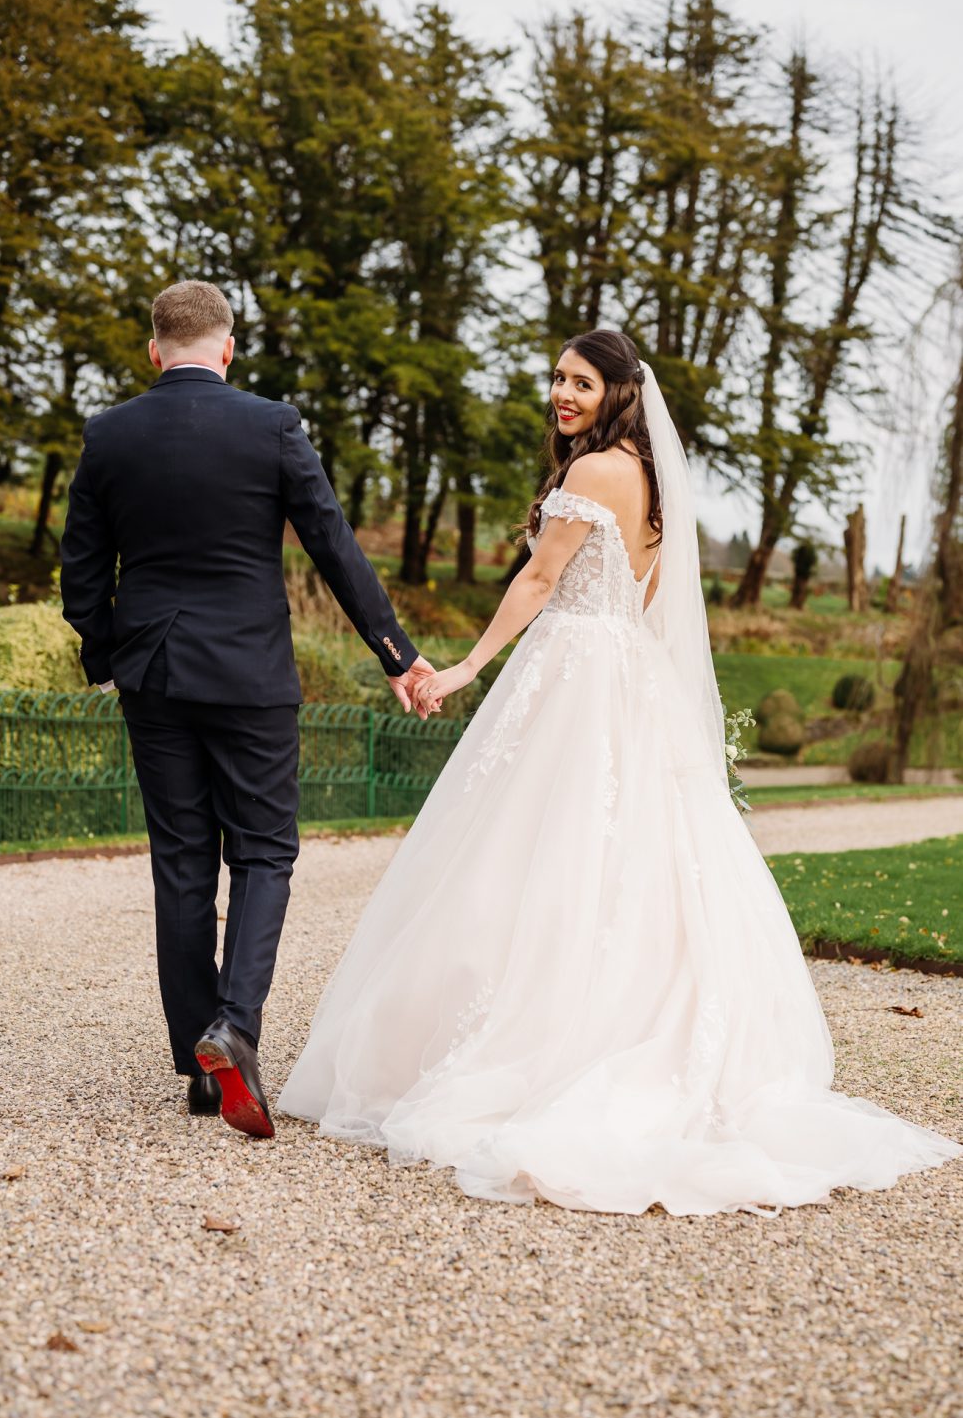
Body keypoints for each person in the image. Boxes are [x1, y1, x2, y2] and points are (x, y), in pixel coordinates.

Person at [279, 329, 962, 1215]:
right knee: (619, 859)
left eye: (581, 381)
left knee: (535, 853)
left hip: (575, 673)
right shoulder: (650, 478)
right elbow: (644, 598)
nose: (563, 394)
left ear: (618, 391)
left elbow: (536, 581)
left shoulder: (593, 472)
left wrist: (461, 667)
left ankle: (541, 1043)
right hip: (626, 674)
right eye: (558, 379)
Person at [60, 280, 434, 1139]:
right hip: (252, 676)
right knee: (264, 851)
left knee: (182, 860)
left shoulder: (109, 434)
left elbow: (81, 572)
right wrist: (395, 654)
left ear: (155, 350)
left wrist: (107, 658)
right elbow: (334, 545)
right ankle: (236, 1026)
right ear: (227, 348)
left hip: (152, 674)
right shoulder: (271, 426)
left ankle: (202, 1064)